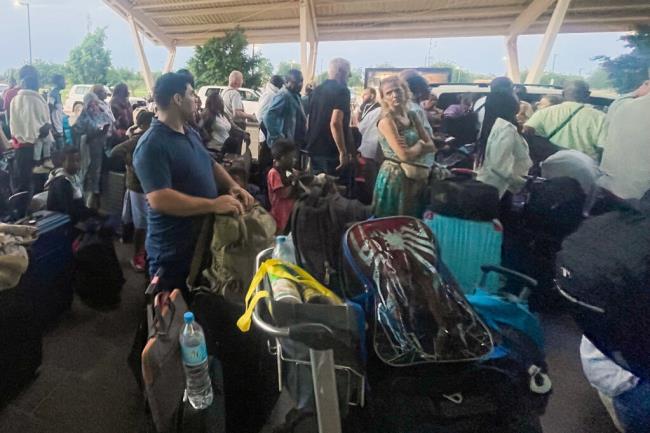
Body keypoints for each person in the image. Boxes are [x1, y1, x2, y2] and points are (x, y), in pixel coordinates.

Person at [133, 72, 254, 289]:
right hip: (171, 252)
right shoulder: (152, 145)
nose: (196, 99)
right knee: (173, 315)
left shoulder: (189, 132)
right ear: (177, 99)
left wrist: (233, 186)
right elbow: (160, 199)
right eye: (191, 94)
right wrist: (213, 204)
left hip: (199, 243)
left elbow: (210, 163)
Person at [373, 76, 435, 218]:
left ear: (405, 92)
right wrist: (420, 144)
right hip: (395, 178)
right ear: (383, 98)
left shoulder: (412, 116)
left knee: (412, 221)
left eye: (397, 90)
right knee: (392, 222)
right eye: (389, 93)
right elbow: (404, 155)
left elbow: (432, 146)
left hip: (416, 176)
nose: (394, 95)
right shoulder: (386, 121)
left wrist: (412, 149)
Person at [110, 110, 154, 272]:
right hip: (138, 186)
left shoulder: (141, 136)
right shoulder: (138, 139)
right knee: (142, 224)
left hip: (137, 185)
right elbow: (115, 151)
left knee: (131, 218)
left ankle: (127, 240)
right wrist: (131, 163)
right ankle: (137, 256)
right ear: (144, 125)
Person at [524, 80, 605, 160]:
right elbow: (603, 148)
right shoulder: (600, 118)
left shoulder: (543, 113)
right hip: (586, 168)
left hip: (550, 165)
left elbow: (526, 133)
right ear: (588, 95)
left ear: (563, 94)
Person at [597, 80, 650, 200]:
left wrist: (638, 91)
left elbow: (601, 144)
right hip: (642, 200)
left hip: (609, 190)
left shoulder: (622, 106)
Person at [475, 92, 532, 198]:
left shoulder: (490, 125)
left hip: (489, 184)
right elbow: (500, 166)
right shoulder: (505, 129)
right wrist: (523, 184)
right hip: (501, 188)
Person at [9, 65, 54, 194]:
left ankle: (22, 212)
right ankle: (39, 212)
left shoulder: (14, 100)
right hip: (37, 150)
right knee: (40, 185)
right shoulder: (37, 100)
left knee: (23, 185)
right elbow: (44, 126)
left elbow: (13, 124)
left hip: (21, 149)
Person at [306, 58, 352, 175]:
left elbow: (309, 118)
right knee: (331, 190)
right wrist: (343, 151)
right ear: (341, 72)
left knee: (317, 188)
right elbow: (335, 122)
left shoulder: (316, 90)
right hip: (331, 151)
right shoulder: (343, 91)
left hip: (314, 147)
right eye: (348, 74)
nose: (348, 78)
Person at [73, 92, 113, 208]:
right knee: (88, 176)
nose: (94, 106)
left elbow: (110, 123)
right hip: (88, 151)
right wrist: (97, 132)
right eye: (91, 103)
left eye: (95, 103)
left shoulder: (101, 113)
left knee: (98, 176)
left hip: (102, 149)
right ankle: (86, 205)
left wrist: (105, 131)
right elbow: (80, 132)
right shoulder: (84, 116)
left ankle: (96, 205)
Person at [45, 147, 95, 224]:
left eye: (77, 161)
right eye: (71, 161)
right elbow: (69, 211)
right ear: (62, 161)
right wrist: (91, 214)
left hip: (73, 216)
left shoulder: (74, 177)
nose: (75, 164)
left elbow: (79, 204)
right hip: (61, 222)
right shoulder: (62, 181)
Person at [264, 69, 306, 149]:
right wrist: (279, 137)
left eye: (301, 81)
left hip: (294, 144)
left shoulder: (295, 96)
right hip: (284, 146)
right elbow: (268, 117)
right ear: (287, 82)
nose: (300, 84)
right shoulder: (283, 95)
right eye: (296, 82)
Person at [256, 75, 284, 185]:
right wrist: (270, 134)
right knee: (266, 163)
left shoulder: (272, 94)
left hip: (268, 135)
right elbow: (261, 116)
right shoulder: (270, 95)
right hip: (267, 136)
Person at [267, 139, 298, 234]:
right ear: (282, 158)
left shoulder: (287, 170)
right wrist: (295, 182)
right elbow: (283, 193)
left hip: (289, 211)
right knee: (280, 235)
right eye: (291, 157)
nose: (295, 160)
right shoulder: (274, 173)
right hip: (280, 213)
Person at [399, 70, 434, 139]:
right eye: (427, 87)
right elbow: (423, 138)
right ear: (419, 91)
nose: (429, 90)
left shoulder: (406, 106)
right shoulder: (416, 110)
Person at [48, 74, 66, 153]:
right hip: (56, 130)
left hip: (59, 128)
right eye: (63, 81)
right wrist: (52, 129)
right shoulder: (53, 94)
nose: (65, 83)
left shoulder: (57, 93)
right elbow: (49, 111)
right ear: (58, 82)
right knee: (59, 154)